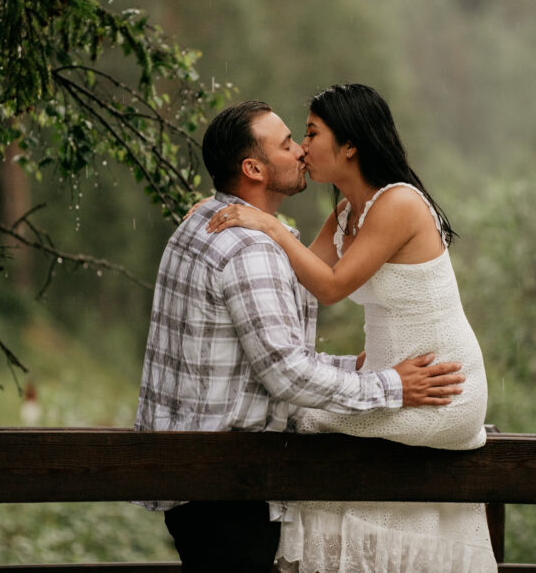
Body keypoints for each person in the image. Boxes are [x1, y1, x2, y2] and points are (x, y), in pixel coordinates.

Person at [134, 99, 467, 573]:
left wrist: (351, 366)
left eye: (305, 137)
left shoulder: (201, 224)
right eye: (289, 143)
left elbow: (268, 348)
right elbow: (287, 373)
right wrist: (392, 385)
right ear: (253, 168)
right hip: (228, 483)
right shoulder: (250, 248)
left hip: (195, 477)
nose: (300, 152)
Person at [207, 84, 495, 572]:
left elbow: (332, 285)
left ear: (350, 146)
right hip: (398, 381)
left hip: (443, 385)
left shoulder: (399, 203)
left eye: (312, 133)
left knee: (305, 422)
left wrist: (268, 224)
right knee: (305, 419)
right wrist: (220, 213)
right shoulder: (347, 211)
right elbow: (298, 277)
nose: (302, 147)